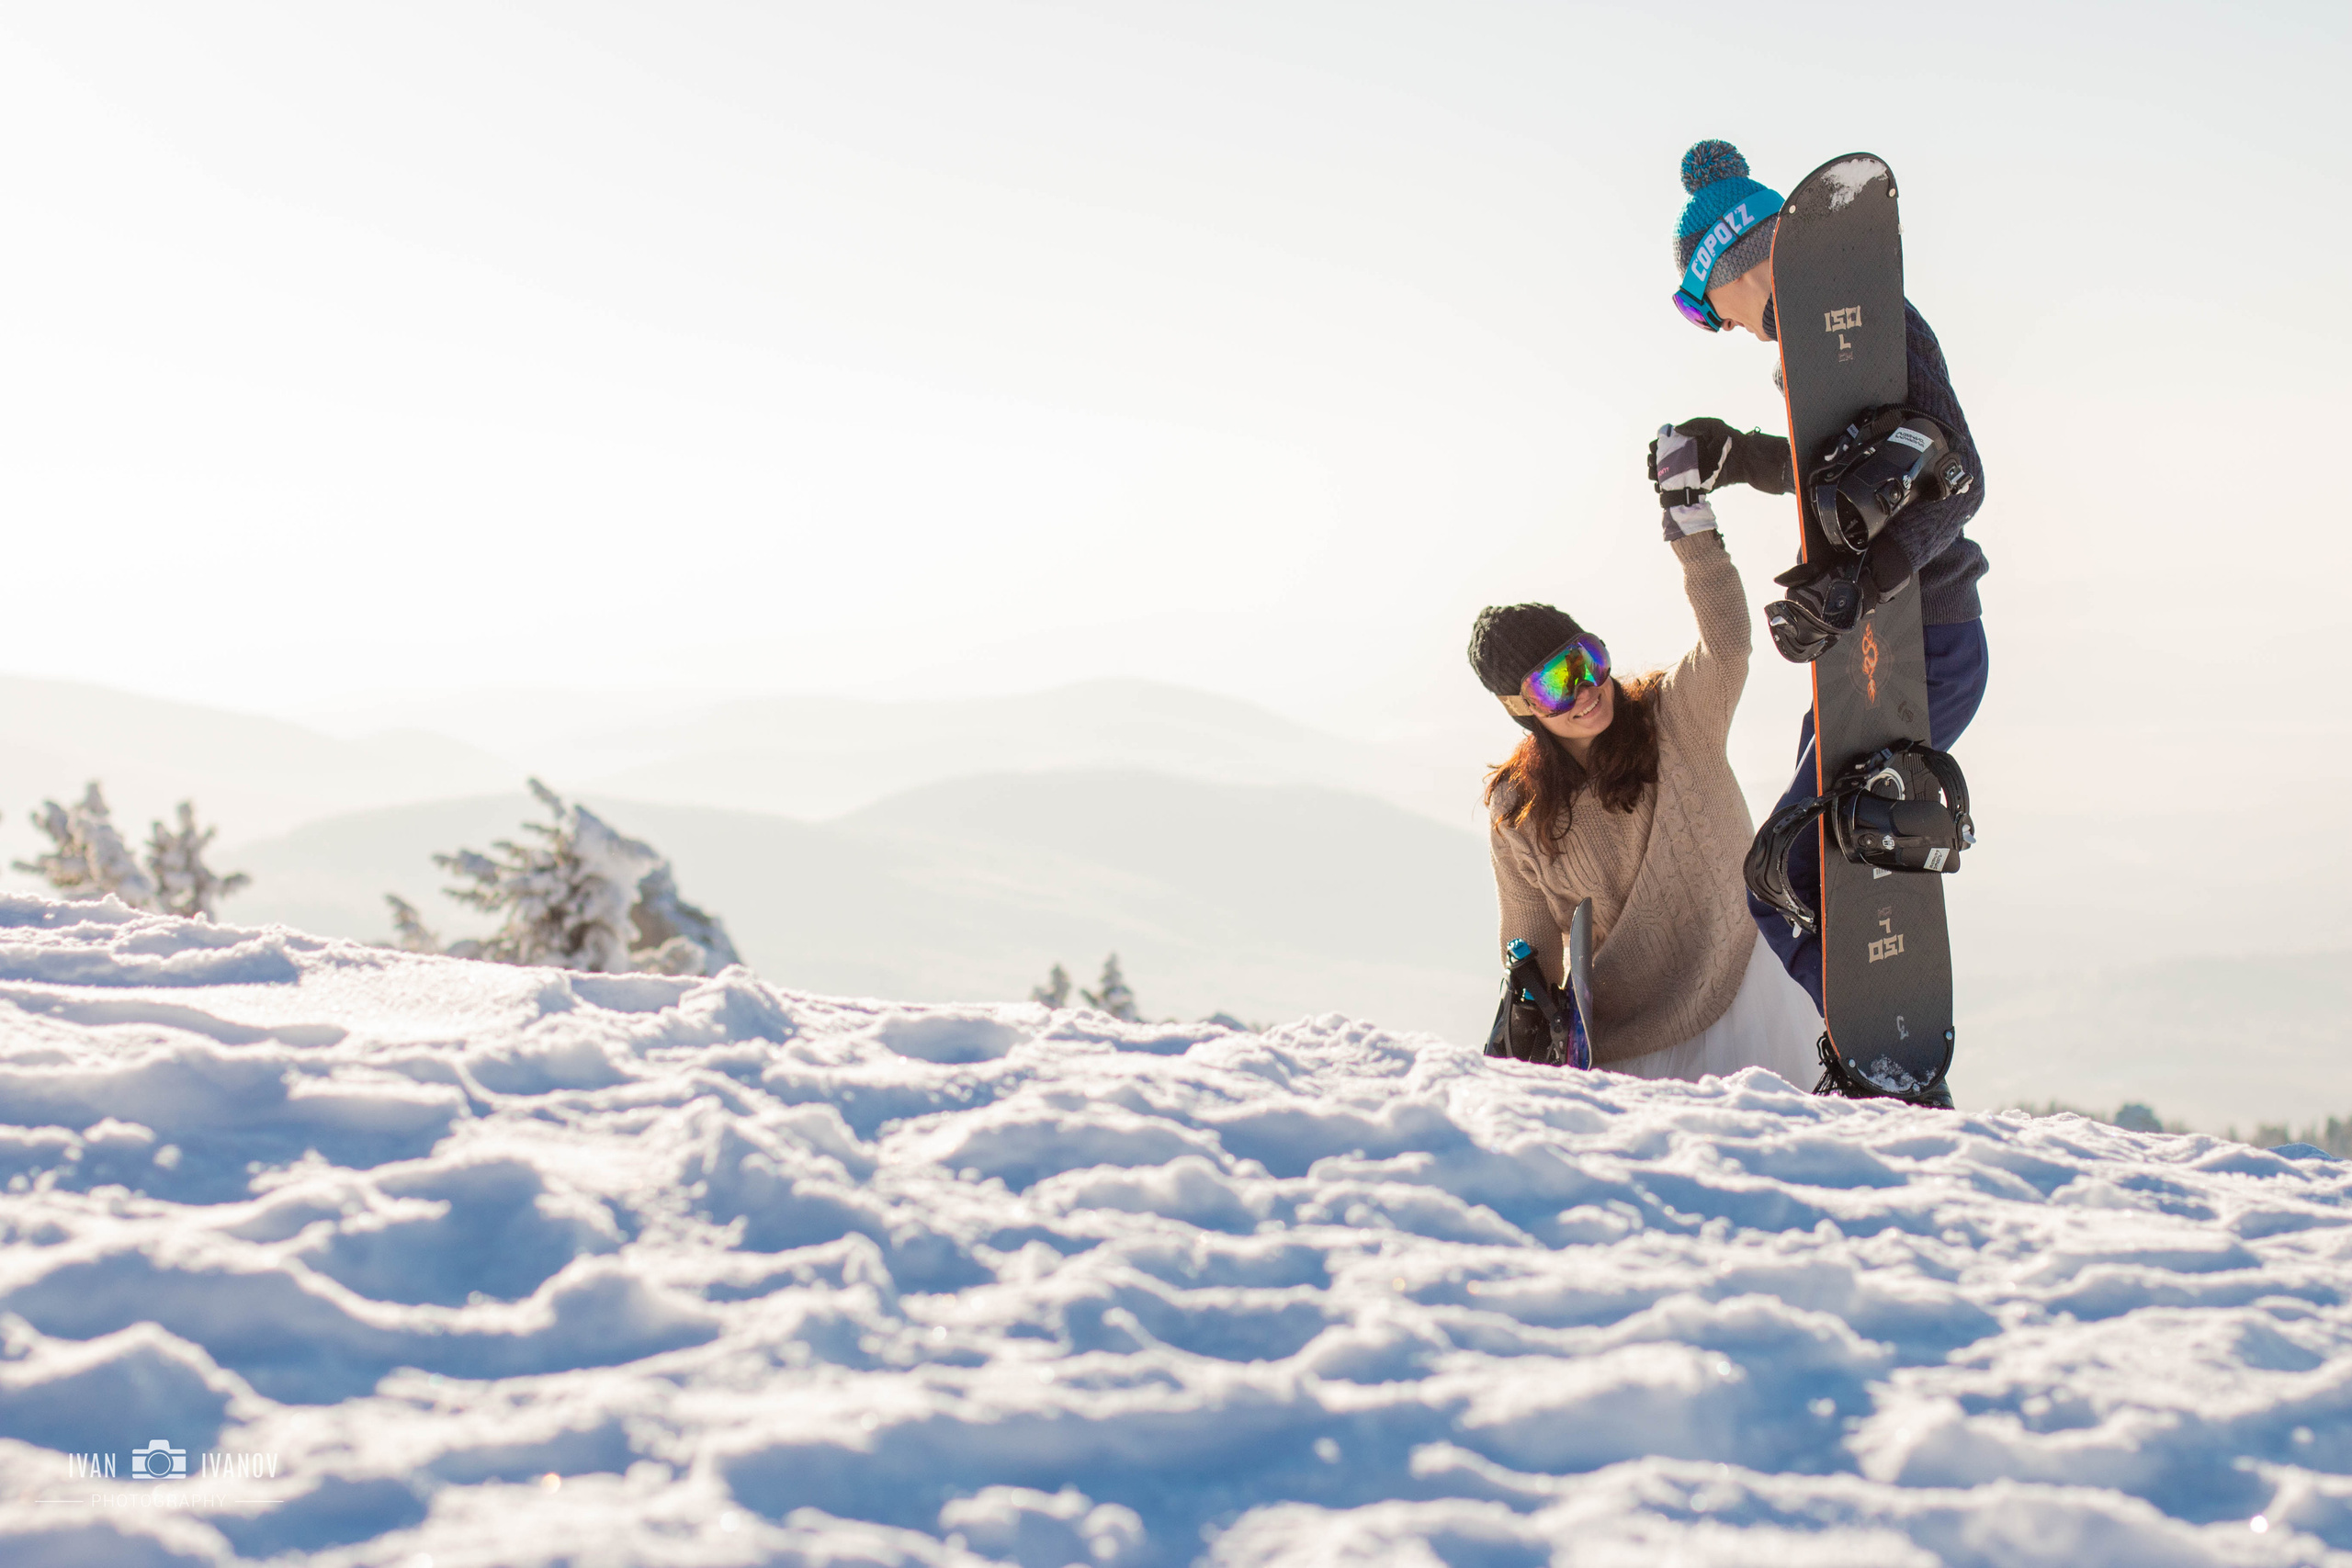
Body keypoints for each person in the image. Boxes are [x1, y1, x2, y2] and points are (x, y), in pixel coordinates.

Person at [1657, 140, 1991, 1030]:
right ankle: (1875, 1060)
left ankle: (1880, 1062)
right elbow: (1830, 471)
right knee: (1800, 871)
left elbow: (1957, 478)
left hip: (1924, 641)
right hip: (1871, 645)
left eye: (1703, 305)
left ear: (1736, 261)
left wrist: (1861, 584)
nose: (1717, 326)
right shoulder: (1814, 343)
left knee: (1791, 877)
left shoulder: (1876, 319)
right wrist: (1736, 454)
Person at [1467, 468, 1820, 1085]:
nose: (1586, 689)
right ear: (1523, 710)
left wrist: (1691, 525)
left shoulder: (1677, 717)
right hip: (1634, 1036)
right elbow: (1533, 947)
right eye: (1556, 683)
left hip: (1745, 983)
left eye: (1588, 660)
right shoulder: (1518, 810)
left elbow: (1728, 645)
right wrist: (1528, 1005)